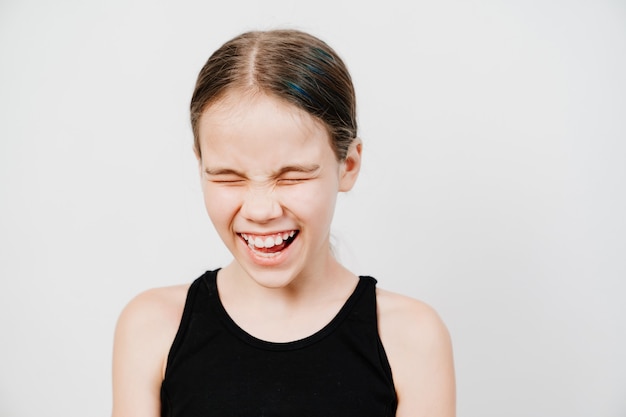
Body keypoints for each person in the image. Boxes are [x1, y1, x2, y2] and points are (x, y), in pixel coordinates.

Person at [111, 29, 455, 417]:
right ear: (200, 167)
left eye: (293, 177)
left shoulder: (410, 338)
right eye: (228, 177)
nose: (260, 210)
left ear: (349, 165)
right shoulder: (153, 327)